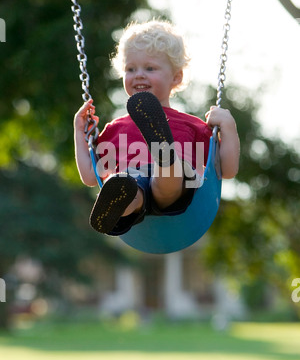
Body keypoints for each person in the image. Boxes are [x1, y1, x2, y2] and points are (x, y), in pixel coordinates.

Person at [74, 20, 240, 236]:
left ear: (176, 77)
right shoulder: (115, 129)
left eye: (150, 68)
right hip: (133, 183)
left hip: (177, 190)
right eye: (130, 69)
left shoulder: (192, 126)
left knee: (168, 176)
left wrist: (228, 126)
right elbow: (90, 175)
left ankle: (164, 156)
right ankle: (118, 203)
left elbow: (226, 170)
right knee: (128, 187)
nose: (139, 74)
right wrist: (80, 132)